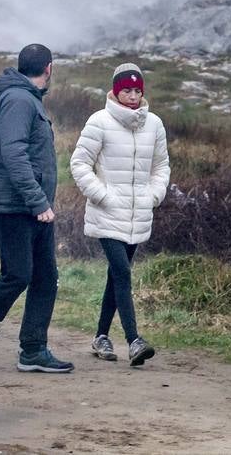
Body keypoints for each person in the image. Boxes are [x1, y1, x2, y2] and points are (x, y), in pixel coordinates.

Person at [0, 43, 73, 373]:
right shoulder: (18, 100)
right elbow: (14, 155)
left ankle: (33, 349)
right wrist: (38, 200)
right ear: (49, 68)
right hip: (14, 205)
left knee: (46, 277)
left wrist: (40, 203)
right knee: (18, 273)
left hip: (33, 206)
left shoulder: (27, 100)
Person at [70, 62, 170, 367]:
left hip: (137, 214)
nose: (132, 96)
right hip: (107, 214)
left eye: (137, 90)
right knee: (123, 273)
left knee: (117, 276)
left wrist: (153, 195)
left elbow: (161, 166)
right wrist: (103, 196)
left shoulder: (154, 124)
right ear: (115, 91)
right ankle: (134, 340)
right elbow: (79, 163)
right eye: (126, 90)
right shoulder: (99, 121)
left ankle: (101, 335)